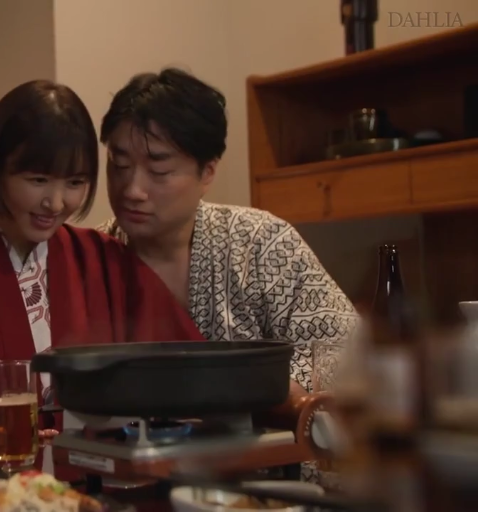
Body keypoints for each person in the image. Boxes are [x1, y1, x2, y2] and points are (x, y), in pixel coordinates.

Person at [0, 80, 204, 470]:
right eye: (38, 180)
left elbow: (184, 372)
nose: (55, 203)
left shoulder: (107, 259)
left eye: (74, 183)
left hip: (106, 484)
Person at [96, 68, 359, 394]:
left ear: (207, 172)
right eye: (119, 165)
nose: (132, 189)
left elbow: (345, 353)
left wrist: (243, 389)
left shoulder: (261, 243)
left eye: (158, 170)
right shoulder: (92, 257)